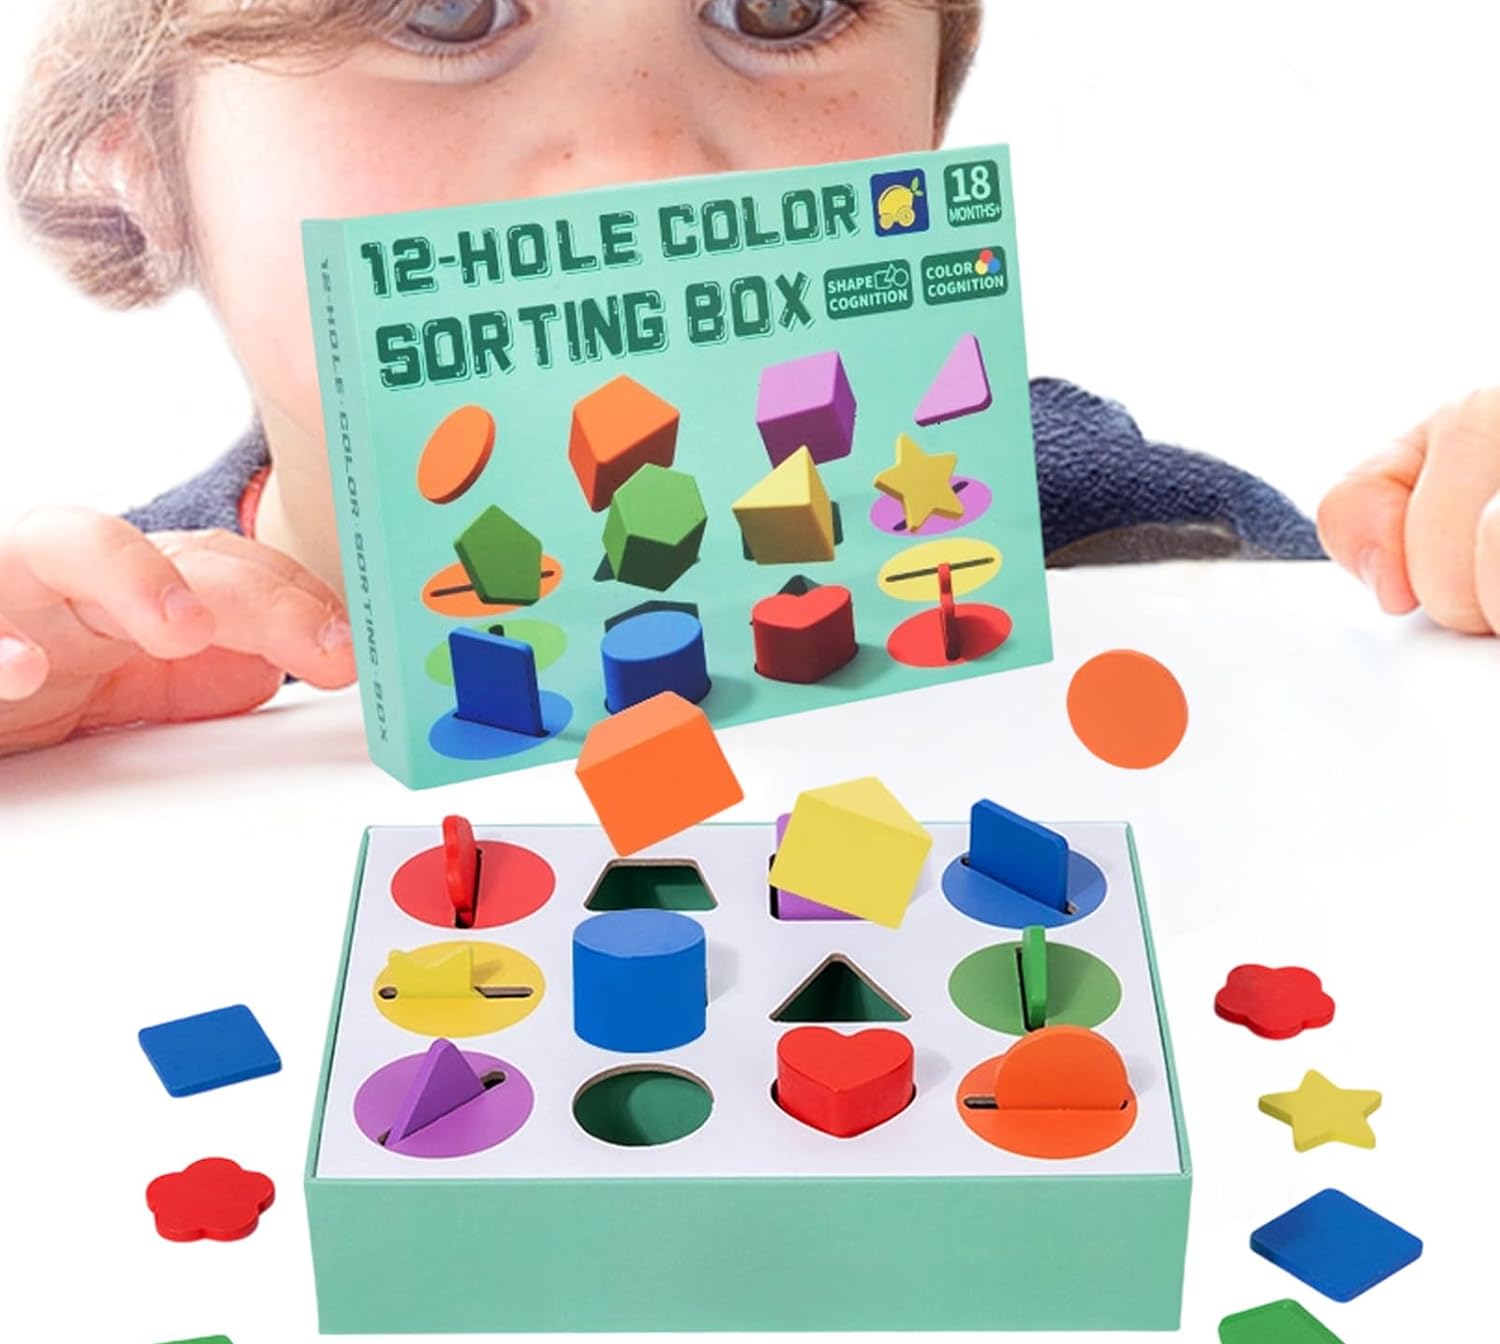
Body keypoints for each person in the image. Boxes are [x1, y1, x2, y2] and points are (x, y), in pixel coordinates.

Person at [2, 1, 1494, 757]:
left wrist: (1459, 575)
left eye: (779, 8)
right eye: (442, 10)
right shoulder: (75, 677)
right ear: (142, 164)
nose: (644, 172)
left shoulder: (1155, 549)